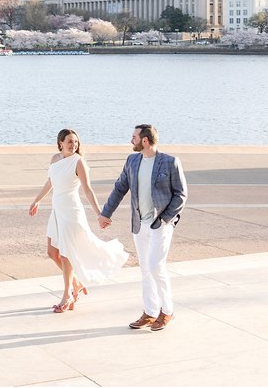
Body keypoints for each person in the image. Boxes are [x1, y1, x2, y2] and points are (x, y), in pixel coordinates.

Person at [98, 124, 188, 332]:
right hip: (139, 224)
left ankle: (167, 311)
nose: (131, 140)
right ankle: (150, 311)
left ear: (144, 140)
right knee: (146, 269)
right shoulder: (132, 161)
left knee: (156, 266)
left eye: (134, 137)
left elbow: (181, 195)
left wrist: (164, 219)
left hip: (160, 225)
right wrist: (106, 213)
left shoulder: (170, 162)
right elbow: (120, 187)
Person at [29, 128, 129, 313]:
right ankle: (76, 283)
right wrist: (37, 200)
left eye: (75, 142)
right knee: (52, 252)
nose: (73, 145)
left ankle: (67, 295)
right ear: (60, 143)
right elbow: (50, 183)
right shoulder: (55, 160)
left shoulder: (78, 162)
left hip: (71, 212)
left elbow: (88, 189)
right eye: (69, 141)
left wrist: (100, 213)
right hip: (57, 211)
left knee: (66, 254)